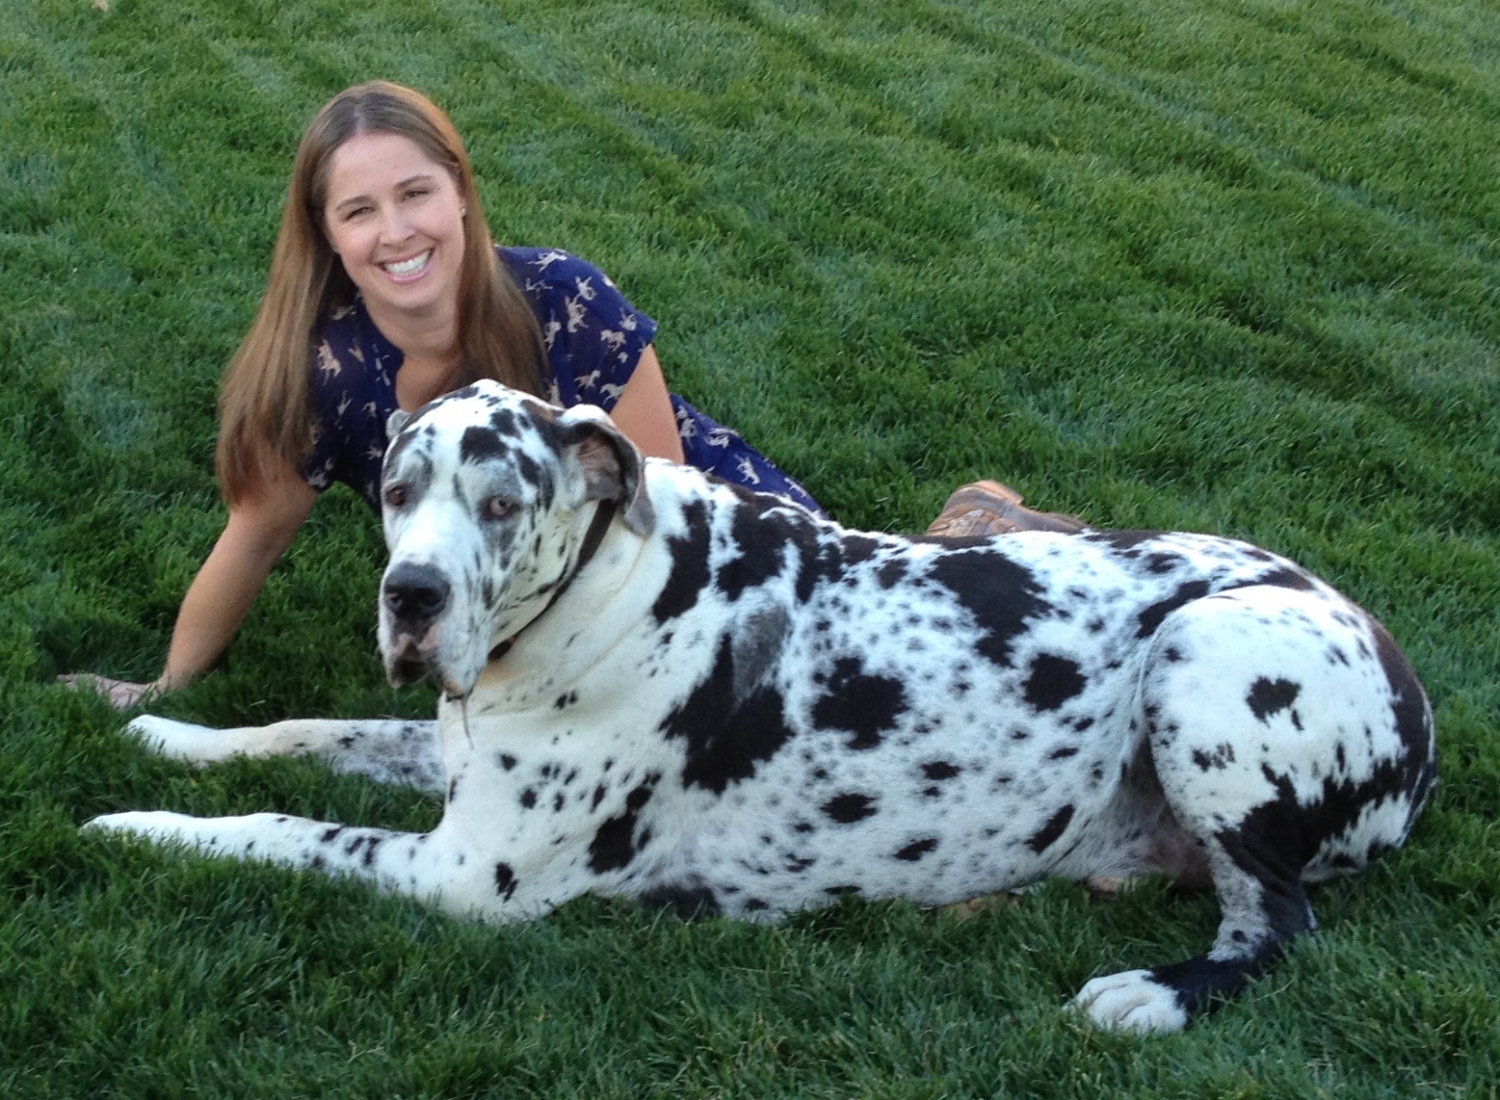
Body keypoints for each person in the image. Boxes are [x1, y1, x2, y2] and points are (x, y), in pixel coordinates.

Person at [62, 80, 1080, 710]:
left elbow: (667, 498)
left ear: (459, 189)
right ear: (328, 236)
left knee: (857, 650)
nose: (397, 231)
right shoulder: (329, 371)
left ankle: (973, 532)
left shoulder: (562, 297)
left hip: (707, 524)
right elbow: (253, 535)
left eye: (416, 191)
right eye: (359, 210)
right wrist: (167, 685)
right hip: (525, 586)